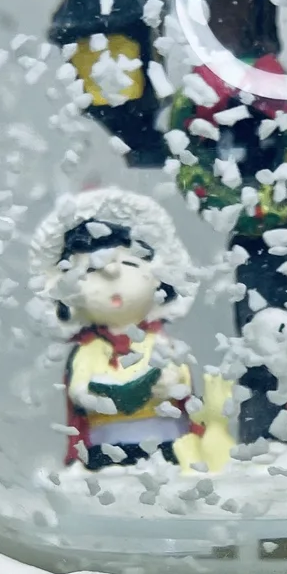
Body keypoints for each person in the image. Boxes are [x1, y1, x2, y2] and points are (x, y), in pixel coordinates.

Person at [30, 188, 198, 469]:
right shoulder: (90, 349)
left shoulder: (158, 341)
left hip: (164, 440)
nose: (113, 276)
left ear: (157, 278)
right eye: (91, 271)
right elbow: (79, 390)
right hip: (106, 443)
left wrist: (169, 385)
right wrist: (96, 396)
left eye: (130, 263)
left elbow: (181, 381)